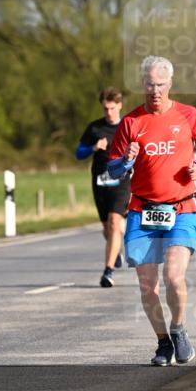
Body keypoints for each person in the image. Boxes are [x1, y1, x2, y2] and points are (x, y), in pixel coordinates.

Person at [106, 56, 196, 367]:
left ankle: (179, 329)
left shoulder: (189, 115)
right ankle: (162, 342)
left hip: (180, 208)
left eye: (161, 84)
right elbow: (113, 169)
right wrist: (126, 159)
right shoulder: (131, 123)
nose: (155, 90)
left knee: (174, 277)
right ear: (143, 84)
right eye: (150, 84)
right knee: (147, 286)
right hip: (142, 211)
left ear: (170, 84)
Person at [77, 88, 130, 287]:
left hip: (122, 181)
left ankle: (107, 272)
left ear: (119, 106)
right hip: (100, 181)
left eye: (112, 108)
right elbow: (78, 153)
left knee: (116, 222)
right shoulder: (94, 128)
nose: (108, 112)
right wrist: (93, 148)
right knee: (107, 229)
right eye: (105, 108)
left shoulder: (128, 126)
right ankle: (114, 250)